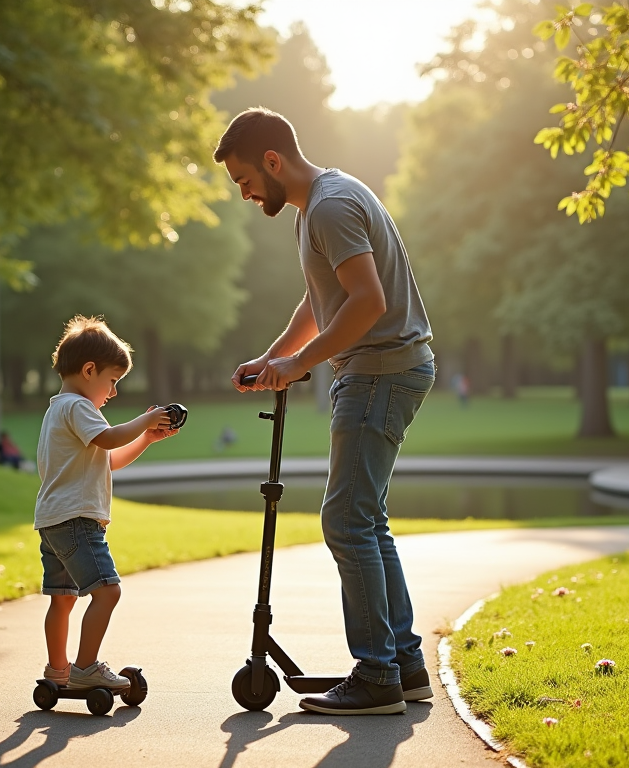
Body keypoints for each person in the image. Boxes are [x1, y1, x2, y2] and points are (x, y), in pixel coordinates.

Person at [215, 108, 436, 716]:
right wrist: (273, 358)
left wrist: (300, 364)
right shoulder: (317, 206)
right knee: (367, 519)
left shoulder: (332, 205)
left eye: (244, 180)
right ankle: (404, 664)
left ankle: (376, 675)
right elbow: (324, 299)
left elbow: (367, 302)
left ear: (272, 161)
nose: (245, 193)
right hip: (380, 370)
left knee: (344, 521)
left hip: (379, 371)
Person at [34, 315, 179, 691]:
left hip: (53, 522)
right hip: (77, 520)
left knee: (62, 599)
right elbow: (110, 439)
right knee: (107, 591)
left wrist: (146, 439)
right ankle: (85, 669)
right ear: (89, 370)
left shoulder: (57, 411)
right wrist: (146, 419)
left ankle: (57, 671)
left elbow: (108, 458)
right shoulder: (79, 408)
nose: (112, 393)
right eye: (112, 381)